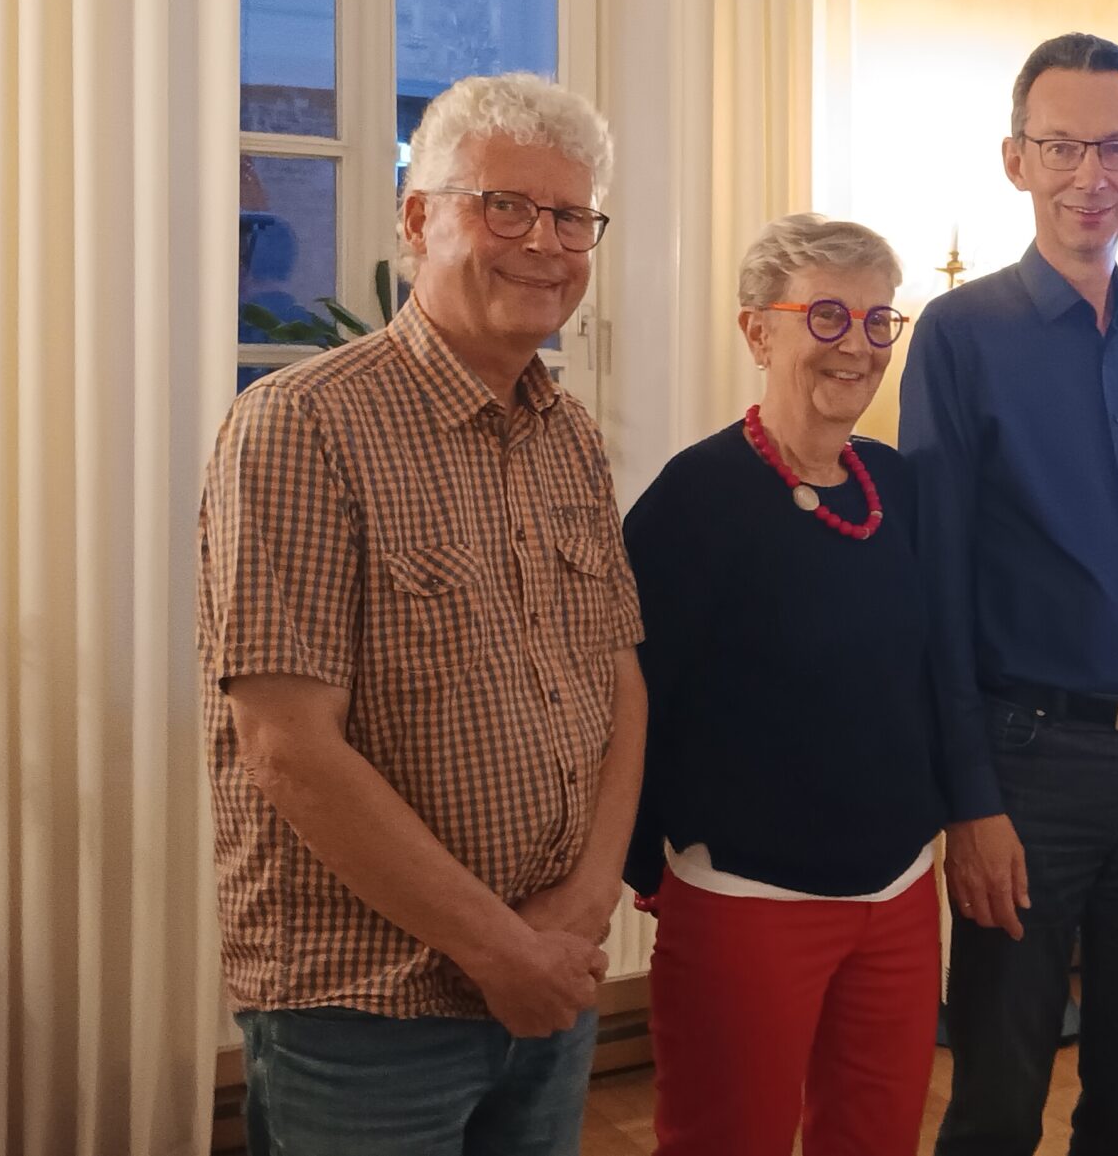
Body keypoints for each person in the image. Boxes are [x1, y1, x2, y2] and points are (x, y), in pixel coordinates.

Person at [199, 73, 646, 1155]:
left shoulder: (568, 434)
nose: (545, 242)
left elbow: (618, 681)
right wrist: (499, 948)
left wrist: (585, 909)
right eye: (506, 206)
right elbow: (286, 747)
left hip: (551, 975)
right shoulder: (301, 426)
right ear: (418, 216)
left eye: (571, 216)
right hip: (368, 1008)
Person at [903, 32, 1118, 1156]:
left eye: (1113, 145)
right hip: (1029, 770)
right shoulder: (958, 339)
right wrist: (969, 802)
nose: (1088, 174)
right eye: (1061, 145)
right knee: (998, 1100)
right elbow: (936, 592)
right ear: (1015, 159)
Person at [619, 214, 942, 1156]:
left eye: (880, 322)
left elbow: (923, 680)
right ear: (758, 330)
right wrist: (644, 868)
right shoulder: (696, 496)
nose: (859, 347)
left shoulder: (894, 487)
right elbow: (637, 697)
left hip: (897, 894)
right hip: (746, 903)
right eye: (829, 316)